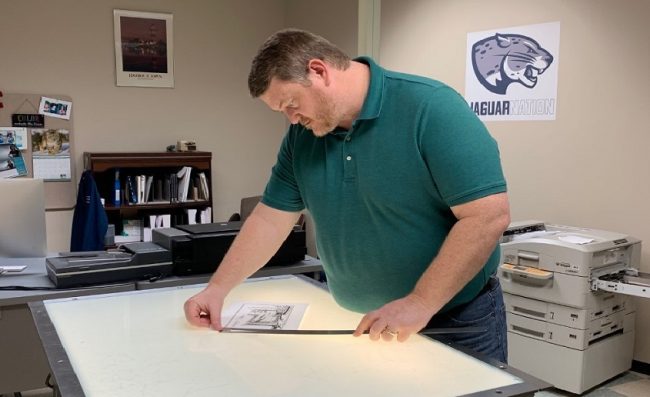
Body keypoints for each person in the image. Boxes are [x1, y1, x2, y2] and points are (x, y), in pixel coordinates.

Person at [184, 29, 511, 362]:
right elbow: (270, 220)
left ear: (319, 71)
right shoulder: (302, 137)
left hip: (454, 319)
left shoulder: (431, 108)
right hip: (365, 324)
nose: (292, 118)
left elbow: (486, 217)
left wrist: (420, 303)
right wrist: (217, 288)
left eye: (292, 104)